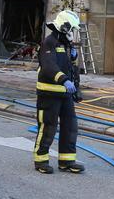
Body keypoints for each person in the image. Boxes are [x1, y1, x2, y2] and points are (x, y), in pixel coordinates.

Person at [33, 10, 85, 174]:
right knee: (48, 127)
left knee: (70, 127)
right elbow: (49, 66)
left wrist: (75, 86)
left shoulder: (66, 44)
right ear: (64, 27)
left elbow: (70, 67)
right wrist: (64, 80)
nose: (73, 33)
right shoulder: (49, 43)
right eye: (72, 29)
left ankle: (66, 161)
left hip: (65, 94)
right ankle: (41, 161)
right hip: (49, 94)